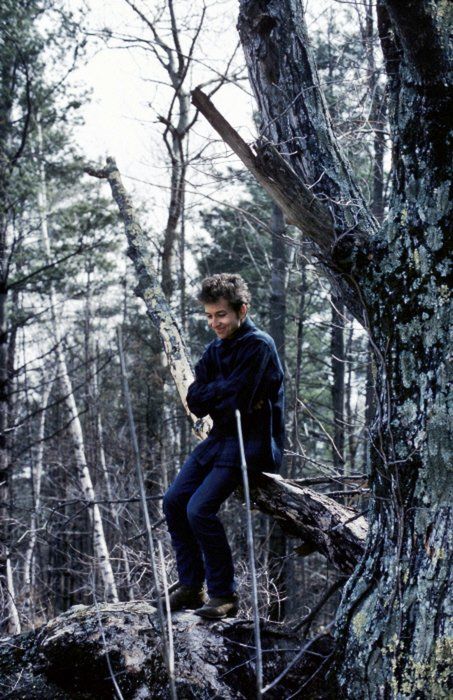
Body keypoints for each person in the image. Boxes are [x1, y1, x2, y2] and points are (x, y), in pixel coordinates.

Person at [162, 273, 285, 619]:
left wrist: (219, 392)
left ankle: (224, 595)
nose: (215, 323)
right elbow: (195, 399)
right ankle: (190, 587)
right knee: (174, 501)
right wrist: (222, 392)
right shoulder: (214, 350)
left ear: (241, 310)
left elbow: (239, 399)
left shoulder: (259, 345)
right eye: (210, 316)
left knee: (198, 509)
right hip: (221, 438)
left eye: (221, 315)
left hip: (254, 442)